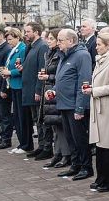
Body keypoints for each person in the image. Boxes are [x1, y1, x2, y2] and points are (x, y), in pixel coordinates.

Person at [53, 28, 94, 180]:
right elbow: (63, 78)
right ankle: (75, 165)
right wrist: (54, 90)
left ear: (71, 41)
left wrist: (80, 108)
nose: (58, 43)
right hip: (64, 103)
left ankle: (86, 167)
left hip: (74, 105)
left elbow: (84, 82)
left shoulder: (82, 55)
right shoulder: (64, 55)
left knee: (80, 138)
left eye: (60, 40)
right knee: (70, 138)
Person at [86, 31, 109, 192]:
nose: (96, 47)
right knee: (100, 145)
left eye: (99, 44)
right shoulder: (100, 61)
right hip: (99, 107)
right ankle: (101, 177)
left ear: (108, 46)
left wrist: (94, 91)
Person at [40, 29, 71, 169]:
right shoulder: (49, 53)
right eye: (49, 38)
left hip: (58, 91)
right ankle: (57, 153)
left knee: (61, 125)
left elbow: (62, 75)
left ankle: (66, 154)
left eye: (52, 39)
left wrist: (49, 77)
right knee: (54, 125)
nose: (49, 41)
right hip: (49, 91)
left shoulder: (61, 55)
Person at [21, 22, 48, 157]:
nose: (25, 34)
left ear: (36, 32)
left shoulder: (42, 46)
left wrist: (38, 90)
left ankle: (45, 147)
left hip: (35, 90)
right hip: (29, 89)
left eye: (28, 31)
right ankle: (41, 146)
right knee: (36, 119)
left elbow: (42, 69)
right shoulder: (31, 46)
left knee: (40, 119)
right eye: (25, 31)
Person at [0, 28, 27, 150]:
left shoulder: (22, 49)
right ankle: (21, 143)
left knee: (21, 116)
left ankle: (25, 143)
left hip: (19, 85)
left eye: (10, 39)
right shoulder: (13, 49)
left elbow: (23, 67)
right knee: (16, 115)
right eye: (7, 40)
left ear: (17, 37)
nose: (8, 42)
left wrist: (10, 72)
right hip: (13, 85)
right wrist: (5, 72)